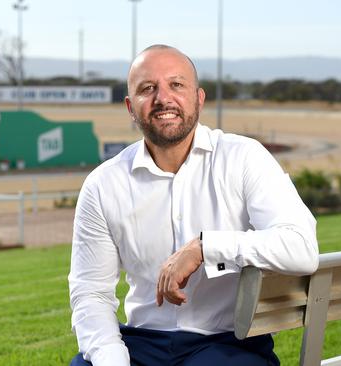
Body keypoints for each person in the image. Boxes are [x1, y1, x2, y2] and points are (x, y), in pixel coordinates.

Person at [68, 45, 318, 366]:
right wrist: (113, 359)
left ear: (199, 99)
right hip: (141, 344)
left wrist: (206, 247)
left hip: (227, 346)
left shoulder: (244, 157)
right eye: (148, 88)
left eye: (176, 85)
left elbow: (301, 247)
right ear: (131, 107)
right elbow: (91, 293)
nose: (162, 98)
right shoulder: (103, 184)